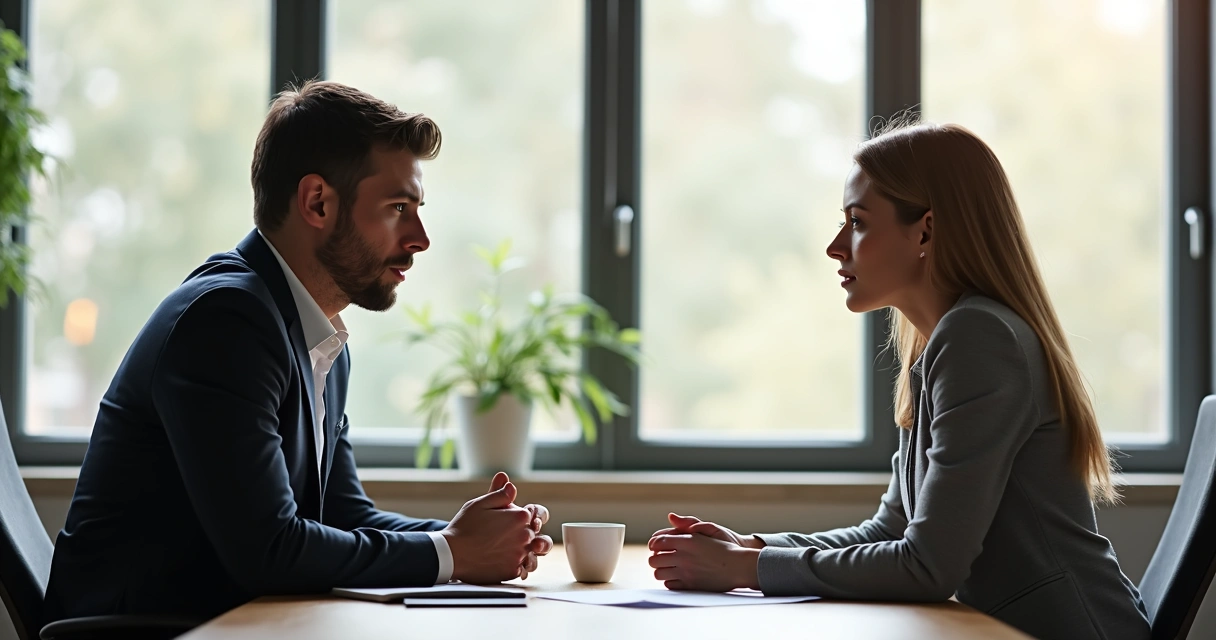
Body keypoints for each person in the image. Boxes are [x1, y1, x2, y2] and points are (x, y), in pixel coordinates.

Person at [44, 81, 552, 625]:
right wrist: (453, 553)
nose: (420, 237)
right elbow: (270, 551)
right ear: (317, 202)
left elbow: (343, 514)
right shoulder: (225, 323)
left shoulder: (317, 335)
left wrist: (473, 537)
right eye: (397, 208)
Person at [646, 120, 1151, 640]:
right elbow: (889, 532)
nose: (836, 247)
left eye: (857, 222)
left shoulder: (978, 338)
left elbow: (928, 566)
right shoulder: (944, 342)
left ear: (926, 231)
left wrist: (742, 571)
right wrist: (752, 547)